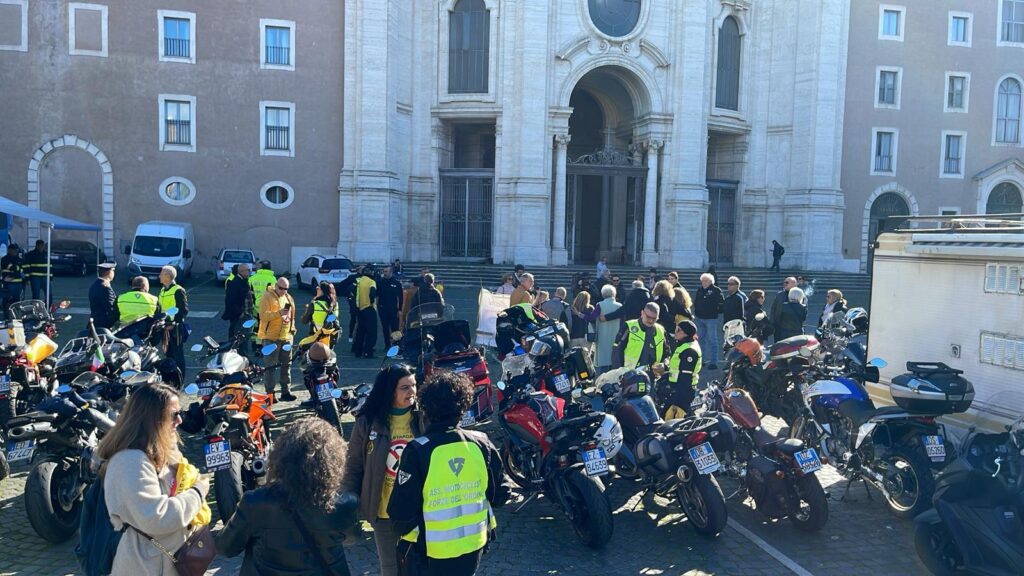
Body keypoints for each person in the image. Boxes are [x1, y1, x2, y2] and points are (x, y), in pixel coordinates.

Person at [388, 371, 509, 576]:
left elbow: (400, 512)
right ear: (464, 405)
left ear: (425, 406)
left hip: (427, 552)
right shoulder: (481, 443)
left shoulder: (418, 450)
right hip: (473, 545)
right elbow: (501, 494)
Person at [216, 417, 358, 575]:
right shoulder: (345, 503)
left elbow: (225, 548)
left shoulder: (255, 501)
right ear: (334, 461)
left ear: (281, 456)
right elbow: (351, 538)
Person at [97, 382, 210, 576]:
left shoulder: (164, 450)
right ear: (152, 418)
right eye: (174, 414)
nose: (181, 420)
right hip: (147, 566)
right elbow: (156, 517)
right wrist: (198, 492)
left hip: (169, 562)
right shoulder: (129, 462)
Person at [340, 364, 422, 576]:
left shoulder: (424, 418)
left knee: (420, 564)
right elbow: (354, 464)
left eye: (413, 385)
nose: (411, 392)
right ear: (389, 391)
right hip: (383, 510)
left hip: (419, 509)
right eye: (404, 387)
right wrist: (348, 501)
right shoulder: (368, 421)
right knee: (390, 568)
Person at [258, 277, 297, 401]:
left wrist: (292, 329)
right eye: (281, 288)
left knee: (287, 366)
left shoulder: (288, 297)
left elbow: (292, 315)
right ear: (276, 286)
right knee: (270, 367)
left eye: (286, 289)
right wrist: (279, 313)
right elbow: (263, 316)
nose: (283, 291)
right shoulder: (267, 296)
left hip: (286, 337)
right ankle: (270, 394)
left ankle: (286, 392)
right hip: (270, 338)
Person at [659, 320, 702, 419]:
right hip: (679, 388)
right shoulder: (684, 344)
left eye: (678, 330)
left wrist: (677, 394)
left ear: (685, 333)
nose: (675, 331)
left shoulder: (689, 351)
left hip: (682, 391)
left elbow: (685, 376)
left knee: (672, 419)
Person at [612, 302, 669, 370]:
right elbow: (617, 350)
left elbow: (667, 354)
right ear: (642, 313)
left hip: (653, 375)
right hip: (629, 373)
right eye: (648, 317)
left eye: (654, 318)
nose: (650, 321)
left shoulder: (661, 330)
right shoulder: (629, 326)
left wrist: (664, 365)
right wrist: (619, 372)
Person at [158, 265, 189, 374]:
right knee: (168, 353)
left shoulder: (178, 290)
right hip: (165, 326)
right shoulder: (163, 290)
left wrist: (174, 323)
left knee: (177, 354)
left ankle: (180, 376)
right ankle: (170, 376)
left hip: (175, 327)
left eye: (161, 274)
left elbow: (183, 310)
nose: (159, 276)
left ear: (167, 276)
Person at [693, 273, 724, 370]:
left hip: (711, 318)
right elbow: (696, 302)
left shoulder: (716, 290)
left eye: (706, 281)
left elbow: (721, 303)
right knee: (700, 340)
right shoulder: (699, 290)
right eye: (702, 281)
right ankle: (701, 360)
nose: (704, 283)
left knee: (712, 340)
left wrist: (715, 311)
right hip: (699, 318)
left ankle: (714, 362)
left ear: (711, 281)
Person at [223, 263, 254, 355]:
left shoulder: (245, 281)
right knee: (240, 338)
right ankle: (241, 357)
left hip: (247, 314)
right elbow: (230, 300)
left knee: (244, 337)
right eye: (247, 270)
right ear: (241, 271)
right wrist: (240, 313)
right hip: (241, 316)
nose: (249, 272)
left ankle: (242, 357)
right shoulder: (234, 282)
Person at [593, 285, 622, 371]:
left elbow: (592, 317)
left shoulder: (600, 305)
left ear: (603, 294)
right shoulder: (620, 306)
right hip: (616, 335)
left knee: (603, 360)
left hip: (602, 335)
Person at [353, 266, 379, 358]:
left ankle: (358, 351)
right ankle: (368, 352)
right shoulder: (372, 282)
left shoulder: (360, 280)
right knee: (371, 332)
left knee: (361, 332)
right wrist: (372, 301)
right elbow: (372, 292)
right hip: (369, 308)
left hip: (360, 309)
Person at [378, 266, 404, 348]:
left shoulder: (396, 283)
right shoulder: (380, 282)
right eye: (384, 271)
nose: (384, 273)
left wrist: (399, 309)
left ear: (391, 272)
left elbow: (400, 297)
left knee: (395, 327)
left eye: (386, 271)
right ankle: (387, 344)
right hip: (383, 309)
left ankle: (396, 344)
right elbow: (377, 295)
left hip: (393, 309)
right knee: (385, 327)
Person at [87, 263, 117, 330]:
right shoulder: (105, 287)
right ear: (108, 272)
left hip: (95, 321)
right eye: (113, 270)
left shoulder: (94, 285)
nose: (114, 273)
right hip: (103, 324)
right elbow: (110, 307)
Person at [770, 276, 797, 342]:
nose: (784, 284)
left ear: (794, 284)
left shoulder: (799, 295)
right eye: (784, 282)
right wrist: (772, 322)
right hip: (778, 326)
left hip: (792, 328)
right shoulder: (780, 294)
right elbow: (773, 308)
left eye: (787, 282)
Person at [1, 243, 23, 319]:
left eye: (16, 250)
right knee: (6, 301)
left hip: (18, 284)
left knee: (16, 302)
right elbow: (12, 268)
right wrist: (17, 269)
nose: (15, 251)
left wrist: (17, 269)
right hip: (8, 284)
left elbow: (21, 269)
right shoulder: (5, 259)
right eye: (14, 250)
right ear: (9, 250)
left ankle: (15, 317)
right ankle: (7, 317)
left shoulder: (19, 259)